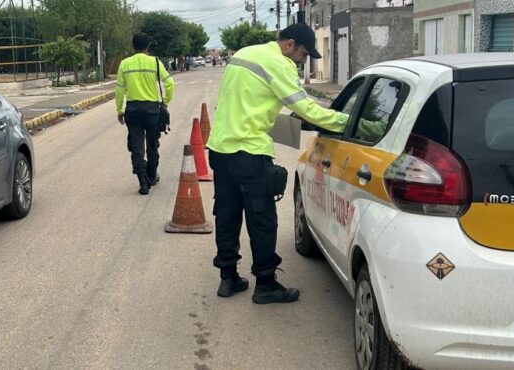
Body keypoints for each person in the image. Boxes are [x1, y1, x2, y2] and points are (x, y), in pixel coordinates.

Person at [206, 23, 349, 304]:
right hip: (249, 153)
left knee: (227, 214)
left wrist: (274, 123)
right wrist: (347, 122)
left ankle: (228, 278)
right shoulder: (279, 64)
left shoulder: (245, 53)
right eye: (304, 54)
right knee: (262, 220)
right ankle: (266, 284)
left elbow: (246, 103)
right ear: (289, 44)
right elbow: (306, 108)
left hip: (220, 149)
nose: (303, 61)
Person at [115, 32, 175, 195]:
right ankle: (151, 175)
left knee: (136, 145)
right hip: (152, 110)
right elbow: (169, 83)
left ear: (133, 46)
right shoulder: (155, 62)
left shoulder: (125, 64)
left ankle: (142, 180)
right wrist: (165, 102)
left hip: (133, 110)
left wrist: (120, 110)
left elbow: (120, 89)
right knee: (152, 144)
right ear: (148, 46)